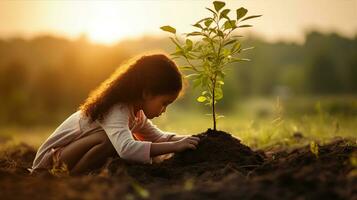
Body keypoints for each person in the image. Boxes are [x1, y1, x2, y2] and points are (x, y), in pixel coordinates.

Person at [30, 53, 200, 175]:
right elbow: (127, 150)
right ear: (147, 93)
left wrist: (192, 140)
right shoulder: (116, 109)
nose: (164, 110)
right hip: (49, 163)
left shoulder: (137, 114)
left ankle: (76, 175)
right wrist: (175, 147)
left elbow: (159, 138)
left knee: (123, 140)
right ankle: (72, 178)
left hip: (68, 157)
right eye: (164, 103)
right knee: (109, 141)